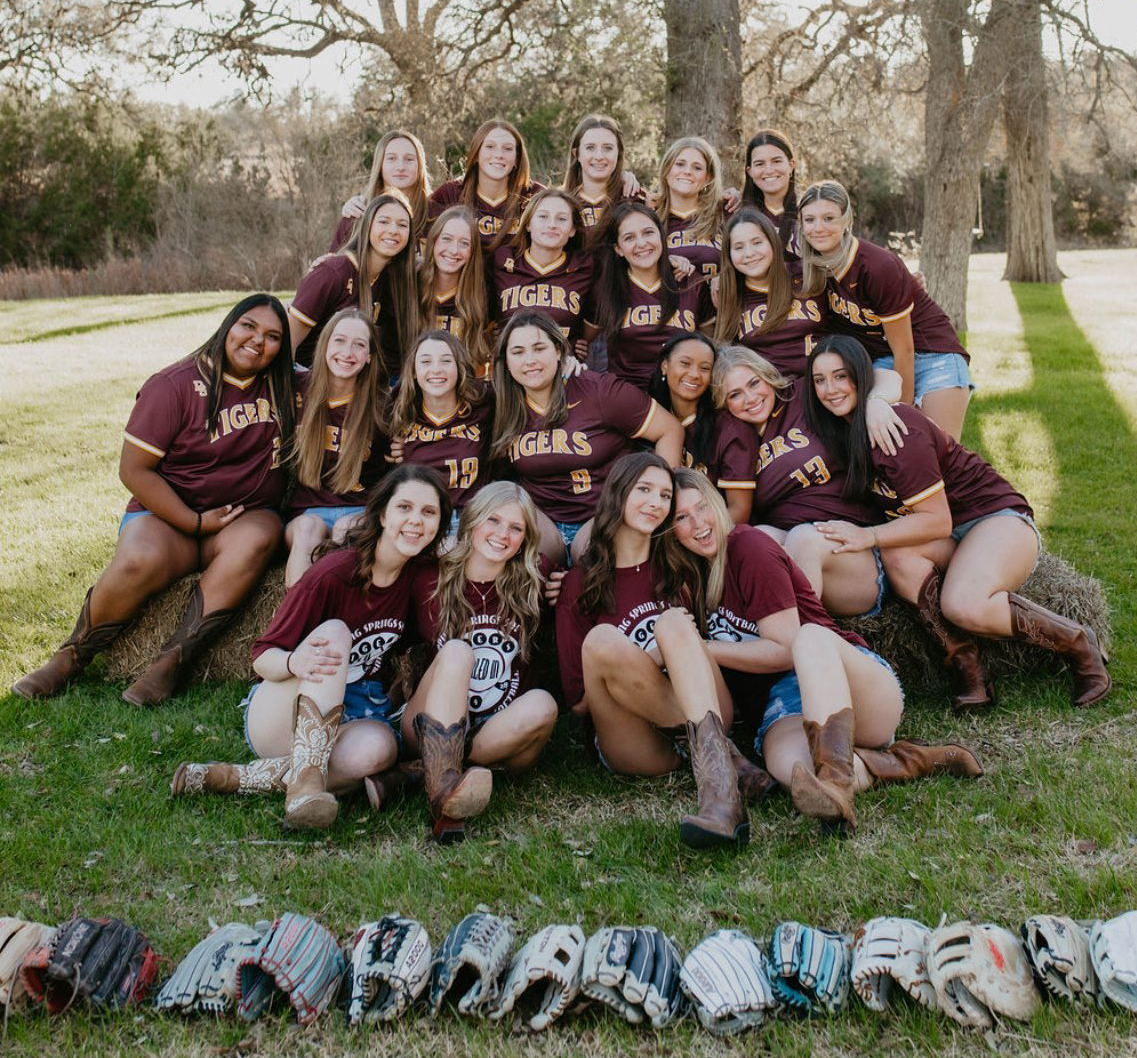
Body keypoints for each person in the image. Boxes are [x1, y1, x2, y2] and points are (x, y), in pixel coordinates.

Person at [13, 295, 297, 706]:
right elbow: (134, 471)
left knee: (258, 538)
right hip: (168, 517)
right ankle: (71, 656)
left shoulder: (287, 385)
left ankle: (172, 662)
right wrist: (194, 522)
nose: (257, 341)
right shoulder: (174, 385)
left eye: (273, 336)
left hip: (242, 518)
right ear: (228, 325)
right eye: (248, 326)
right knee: (135, 561)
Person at [803, 335, 1111, 710]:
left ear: (861, 376)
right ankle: (968, 665)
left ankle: (1077, 641)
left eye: (841, 376)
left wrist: (866, 535)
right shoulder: (845, 431)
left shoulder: (895, 430)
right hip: (950, 532)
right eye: (820, 380)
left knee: (964, 604)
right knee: (898, 558)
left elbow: (934, 520)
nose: (830, 389)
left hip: (994, 518)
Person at [670, 467, 983, 834]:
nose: (698, 523)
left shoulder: (747, 546)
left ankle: (837, 785)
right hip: (780, 707)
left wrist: (704, 649)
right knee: (795, 774)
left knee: (808, 637)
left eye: (703, 507)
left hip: (841, 674)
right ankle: (906, 763)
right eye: (681, 517)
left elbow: (786, 649)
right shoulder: (687, 578)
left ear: (719, 505)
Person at [170, 465, 452, 830]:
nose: (416, 521)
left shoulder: (418, 577)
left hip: (355, 714)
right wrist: (295, 660)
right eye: (405, 508)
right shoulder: (332, 574)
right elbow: (263, 656)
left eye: (429, 512)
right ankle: (302, 786)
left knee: (380, 749)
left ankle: (239, 778)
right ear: (382, 514)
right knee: (333, 633)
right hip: (286, 711)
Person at [554, 452, 749, 849]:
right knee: (602, 641)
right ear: (618, 494)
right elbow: (579, 705)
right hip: (638, 741)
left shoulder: (682, 569)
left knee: (674, 622)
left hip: (706, 708)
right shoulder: (580, 584)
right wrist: (639, 670)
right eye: (644, 490)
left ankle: (720, 796)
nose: (655, 503)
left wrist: (665, 652)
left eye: (663, 496)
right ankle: (728, 760)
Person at [391, 482, 557, 842]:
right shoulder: (429, 576)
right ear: (471, 520)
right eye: (493, 520)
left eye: (516, 528)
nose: (502, 534)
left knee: (544, 705)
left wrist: (568, 581)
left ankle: (427, 774)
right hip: (427, 722)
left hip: (498, 733)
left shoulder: (534, 578)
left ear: (527, 538)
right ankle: (446, 796)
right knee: (456, 652)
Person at [713, 344, 902, 618]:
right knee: (753, 538)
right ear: (724, 403)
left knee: (805, 538)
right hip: (796, 548)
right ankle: (763, 637)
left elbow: (887, 376)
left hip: (856, 554)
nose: (750, 398)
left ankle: (801, 641)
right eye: (735, 394)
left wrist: (876, 402)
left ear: (767, 376)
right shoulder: (737, 439)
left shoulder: (800, 396)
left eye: (754, 383)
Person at [490, 310, 683, 564]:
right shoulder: (500, 404)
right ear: (506, 359)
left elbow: (670, 430)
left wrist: (660, 500)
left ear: (559, 351)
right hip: (543, 521)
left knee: (590, 558)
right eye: (518, 352)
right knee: (527, 557)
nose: (529, 360)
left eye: (539, 348)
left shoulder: (598, 390)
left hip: (603, 515)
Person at [798, 179, 973, 440]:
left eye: (829, 218)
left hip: (932, 355)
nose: (818, 228)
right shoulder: (816, 268)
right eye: (809, 220)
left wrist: (905, 405)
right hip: (882, 363)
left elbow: (905, 349)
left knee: (938, 449)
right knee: (888, 454)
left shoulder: (876, 266)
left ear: (847, 220)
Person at [283, 309, 390, 587]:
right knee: (308, 529)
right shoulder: (295, 389)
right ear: (325, 345)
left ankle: (340, 618)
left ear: (369, 356)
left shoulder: (382, 405)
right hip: (307, 511)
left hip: (360, 510)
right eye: (339, 341)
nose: (348, 352)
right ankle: (297, 621)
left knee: (346, 530)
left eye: (359, 344)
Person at [288, 192, 417, 376]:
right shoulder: (333, 272)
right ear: (367, 226)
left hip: (345, 383)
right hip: (308, 379)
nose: (393, 230)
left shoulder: (387, 280)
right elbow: (288, 344)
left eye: (402, 225)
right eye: (383, 221)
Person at [587, 202, 714, 388]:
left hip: (683, 392)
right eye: (629, 238)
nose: (641, 243)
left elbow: (711, 343)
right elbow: (583, 340)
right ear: (618, 249)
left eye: (648, 233)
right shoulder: (605, 289)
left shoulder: (691, 282)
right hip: (628, 394)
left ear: (661, 236)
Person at [647, 332, 757, 524]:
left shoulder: (730, 429)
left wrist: (701, 536)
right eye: (685, 363)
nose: (694, 374)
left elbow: (739, 511)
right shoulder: (650, 418)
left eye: (705, 368)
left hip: (712, 532)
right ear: (665, 366)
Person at [389, 331, 493, 521]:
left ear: (459, 367)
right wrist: (390, 450)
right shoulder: (399, 405)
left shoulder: (485, 400)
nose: (436, 369)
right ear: (413, 370)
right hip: (418, 517)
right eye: (425, 362)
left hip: (469, 517)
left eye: (446, 361)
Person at [714, 208, 827, 379]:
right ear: (729, 255)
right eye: (738, 247)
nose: (749, 254)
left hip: (822, 384)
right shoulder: (729, 295)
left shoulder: (807, 275)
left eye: (757, 242)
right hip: (771, 394)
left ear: (772, 242)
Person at [490, 188, 593, 350]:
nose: (552, 225)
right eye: (543, 216)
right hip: (511, 367)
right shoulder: (502, 259)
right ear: (528, 223)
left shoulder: (585, 266)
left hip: (564, 367)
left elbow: (593, 324)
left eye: (562, 219)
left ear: (573, 230)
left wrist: (576, 344)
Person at [428, 118, 543, 250]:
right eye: (490, 147)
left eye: (508, 148)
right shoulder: (450, 194)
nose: (499, 155)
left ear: (517, 158)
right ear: (476, 154)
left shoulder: (535, 196)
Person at [416, 206, 491, 375]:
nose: (453, 250)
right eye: (447, 239)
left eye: (464, 243)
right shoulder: (410, 285)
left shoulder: (482, 293)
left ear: (473, 251)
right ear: (433, 240)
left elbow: (481, 360)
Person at [328, 130, 432, 252]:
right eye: (391, 158)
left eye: (409, 159)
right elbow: (331, 264)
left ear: (420, 165)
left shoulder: (436, 215)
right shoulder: (357, 213)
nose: (400, 167)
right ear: (380, 164)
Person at [654, 136, 727, 279]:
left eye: (697, 168)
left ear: (708, 178)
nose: (687, 171)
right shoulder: (649, 216)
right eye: (680, 164)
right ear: (666, 170)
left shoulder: (725, 214)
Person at [561, 113, 641, 235]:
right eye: (590, 147)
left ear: (618, 153)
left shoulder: (636, 199)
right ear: (576, 154)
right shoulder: (560, 202)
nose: (599, 156)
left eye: (608, 148)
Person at [739, 129, 800, 258]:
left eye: (776, 161)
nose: (769, 170)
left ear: (791, 165)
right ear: (750, 171)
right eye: (760, 164)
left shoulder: (808, 212)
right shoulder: (737, 214)